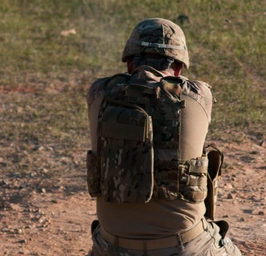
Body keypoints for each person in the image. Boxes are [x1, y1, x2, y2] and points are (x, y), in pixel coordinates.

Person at [86, 18, 241, 256]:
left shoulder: (98, 93)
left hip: (112, 248)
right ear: (178, 68)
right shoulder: (197, 96)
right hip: (183, 248)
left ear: (129, 62)